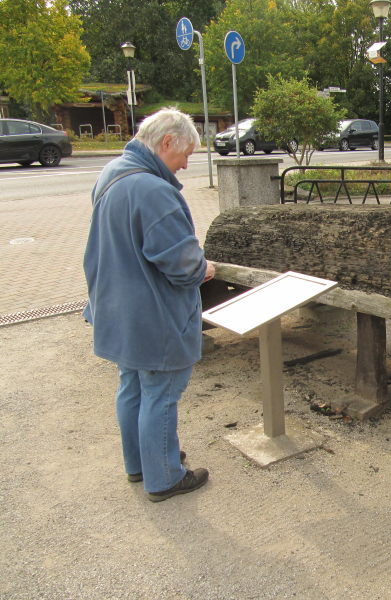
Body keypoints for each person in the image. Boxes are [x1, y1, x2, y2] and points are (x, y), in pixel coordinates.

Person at [83, 108, 215, 502]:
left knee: (132, 386)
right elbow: (181, 264)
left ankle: (141, 464)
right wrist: (204, 267)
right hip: (153, 314)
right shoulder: (154, 191)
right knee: (161, 391)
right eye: (185, 153)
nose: (186, 163)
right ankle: (165, 478)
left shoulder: (112, 173)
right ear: (167, 142)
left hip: (117, 307)